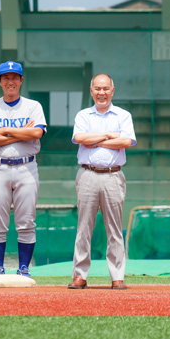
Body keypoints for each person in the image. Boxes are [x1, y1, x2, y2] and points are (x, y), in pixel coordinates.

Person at [0, 61, 46, 277]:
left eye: (14, 77)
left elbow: (36, 134)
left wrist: (5, 130)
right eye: (6, 77)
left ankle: (23, 267)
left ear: (21, 80)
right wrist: (21, 132)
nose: (10, 81)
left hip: (27, 167)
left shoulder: (33, 105)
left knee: (26, 221)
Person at [68, 74, 136, 290]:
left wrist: (95, 139)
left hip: (113, 175)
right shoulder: (83, 115)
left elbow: (126, 141)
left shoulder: (123, 115)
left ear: (112, 91)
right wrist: (108, 136)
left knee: (114, 229)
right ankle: (80, 275)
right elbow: (80, 139)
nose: (102, 93)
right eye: (97, 88)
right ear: (91, 91)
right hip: (87, 174)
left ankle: (117, 277)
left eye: (106, 88)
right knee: (83, 228)